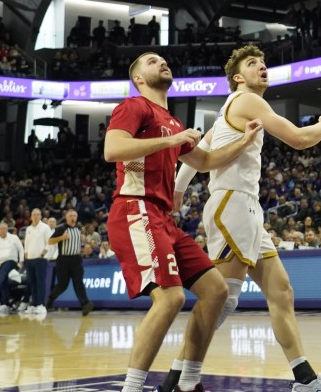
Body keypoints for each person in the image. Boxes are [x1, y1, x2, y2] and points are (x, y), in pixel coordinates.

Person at [171, 44, 321, 392]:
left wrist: (177, 191)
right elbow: (298, 139)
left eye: (263, 62)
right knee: (222, 298)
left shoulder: (227, 110)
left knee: (281, 291)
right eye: (252, 63)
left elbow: (200, 152)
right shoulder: (247, 100)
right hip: (232, 203)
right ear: (238, 77)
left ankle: (305, 379)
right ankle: (179, 378)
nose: (262, 66)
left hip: (244, 207)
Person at [105, 52, 263, 392]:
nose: (161, 62)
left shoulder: (174, 122)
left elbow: (204, 161)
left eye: (163, 59)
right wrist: (171, 141)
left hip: (162, 218)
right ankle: (131, 388)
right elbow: (112, 149)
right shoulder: (134, 107)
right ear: (138, 79)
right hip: (135, 209)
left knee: (216, 291)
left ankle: (188, 383)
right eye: (151, 61)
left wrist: (244, 141)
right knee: (171, 298)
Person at [46, 208, 93, 315]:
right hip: (63, 260)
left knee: (78, 282)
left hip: (76, 259)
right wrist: (62, 237)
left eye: (74, 216)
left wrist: (84, 241)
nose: (72, 218)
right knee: (62, 285)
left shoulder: (78, 229)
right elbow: (50, 241)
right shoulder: (61, 228)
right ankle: (50, 299)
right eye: (70, 216)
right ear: (66, 217)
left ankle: (85, 304)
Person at [22, 208, 52, 316]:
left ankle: (41, 305)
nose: (35, 216)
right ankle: (34, 304)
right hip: (29, 259)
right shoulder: (29, 229)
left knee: (40, 282)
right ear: (31, 216)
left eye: (37, 214)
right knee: (32, 283)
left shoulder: (45, 227)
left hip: (40, 259)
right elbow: (26, 242)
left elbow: (50, 241)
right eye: (34, 214)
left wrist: (45, 251)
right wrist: (25, 254)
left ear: (40, 216)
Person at [0, 222, 23, 312]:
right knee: (4, 282)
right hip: (0, 263)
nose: (2, 230)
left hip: (11, 261)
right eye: (0, 229)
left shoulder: (14, 238)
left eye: (4, 228)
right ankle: (5, 304)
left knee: (3, 273)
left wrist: (21, 260)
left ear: (7, 229)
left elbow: (21, 249)